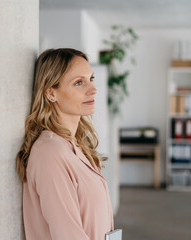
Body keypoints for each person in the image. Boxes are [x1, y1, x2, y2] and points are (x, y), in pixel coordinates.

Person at [16, 48, 114, 240]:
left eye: (91, 79)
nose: (93, 89)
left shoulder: (76, 145)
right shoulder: (50, 153)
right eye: (79, 82)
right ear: (51, 93)